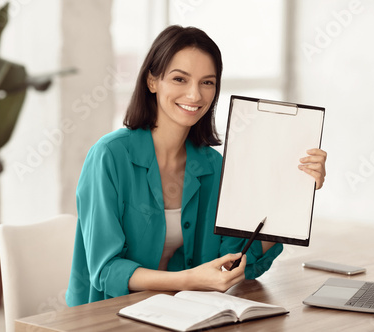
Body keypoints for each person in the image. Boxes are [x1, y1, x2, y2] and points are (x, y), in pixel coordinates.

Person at [66, 25, 327, 307]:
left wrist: (294, 190)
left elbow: (236, 260)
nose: (195, 95)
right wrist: (189, 280)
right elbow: (105, 270)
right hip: (108, 317)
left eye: (207, 82)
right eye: (180, 79)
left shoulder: (213, 166)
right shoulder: (109, 157)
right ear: (152, 82)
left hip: (185, 314)